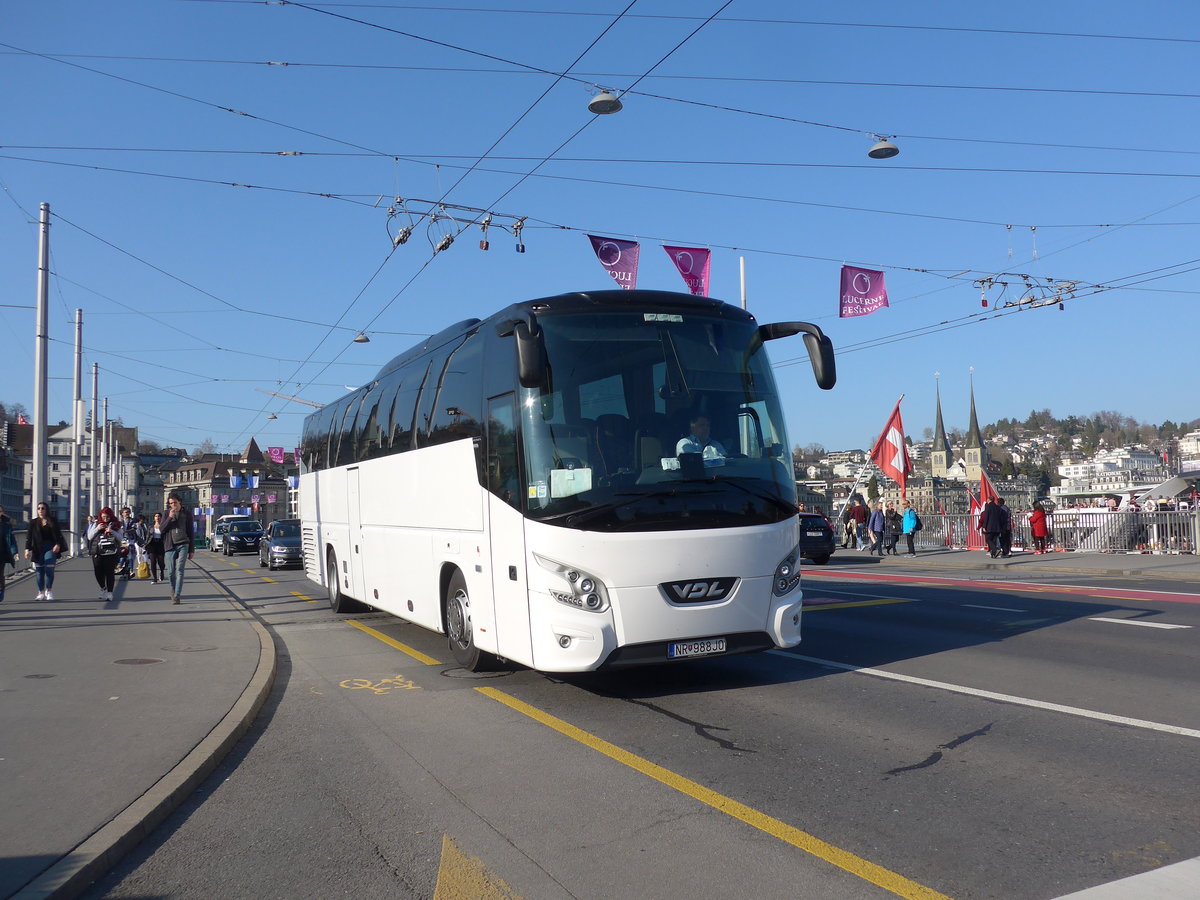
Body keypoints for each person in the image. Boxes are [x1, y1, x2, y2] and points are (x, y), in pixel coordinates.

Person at [25, 502, 66, 601]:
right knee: (39, 571)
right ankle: (41, 592)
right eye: (38, 508)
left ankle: (49, 590)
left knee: (49, 568)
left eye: (43, 508)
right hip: (38, 549)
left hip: (50, 547)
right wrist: (27, 549)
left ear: (46, 509)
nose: (40, 510)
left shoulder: (52, 521)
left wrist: (58, 544)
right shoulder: (33, 522)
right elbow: (29, 537)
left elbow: (58, 534)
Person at [162, 492, 195, 604]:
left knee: (180, 570)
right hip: (170, 545)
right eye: (171, 503)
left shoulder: (187, 514)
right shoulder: (166, 513)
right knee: (171, 572)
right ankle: (173, 589)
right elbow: (161, 530)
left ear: (179, 502)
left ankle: (177, 595)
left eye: (175, 502)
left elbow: (191, 532)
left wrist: (191, 550)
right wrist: (169, 518)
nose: (173, 505)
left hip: (183, 544)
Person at [87, 507, 124, 601]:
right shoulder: (96, 524)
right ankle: (103, 587)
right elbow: (89, 536)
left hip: (111, 552)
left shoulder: (116, 525)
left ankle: (110, 593)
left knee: (109, 572)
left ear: (111, 516)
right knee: (98, 572)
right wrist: (97, 528)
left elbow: (121, 538)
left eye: (107, 517)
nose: (105, 519)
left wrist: (111, 531)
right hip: (97, 551)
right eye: (103, 517)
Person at [0, 504, 18, 603]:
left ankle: (1, 590)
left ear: (2, 513)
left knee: (0, 573)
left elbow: (11, 539)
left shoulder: (6, 524)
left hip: (2, 553)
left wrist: (15, 552)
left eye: (0, 511)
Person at [145, 511, 167, 583]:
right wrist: (146, 545)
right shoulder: (151, 526)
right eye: (156, 516)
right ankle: (154, 578)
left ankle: (162, 572)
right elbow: (148, 536)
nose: (157, 518)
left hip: (161, 544)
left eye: (159, 516)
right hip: (152, 544)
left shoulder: (164, 526)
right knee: (153, 562)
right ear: (154, 518)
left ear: (161, 518)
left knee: (161, 562)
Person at [126, 513, 150, 579]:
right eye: (142, 519)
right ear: (139, 519)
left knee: (145, 553)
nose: (143, 521)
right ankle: (140, 564)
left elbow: (147, 532)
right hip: (137, 541)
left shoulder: (144, 525)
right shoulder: (136, 525)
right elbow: (133, 531)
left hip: (144, 541)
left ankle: (145, 563)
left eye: (143, 519)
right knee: (139, 553)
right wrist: (126, 532)